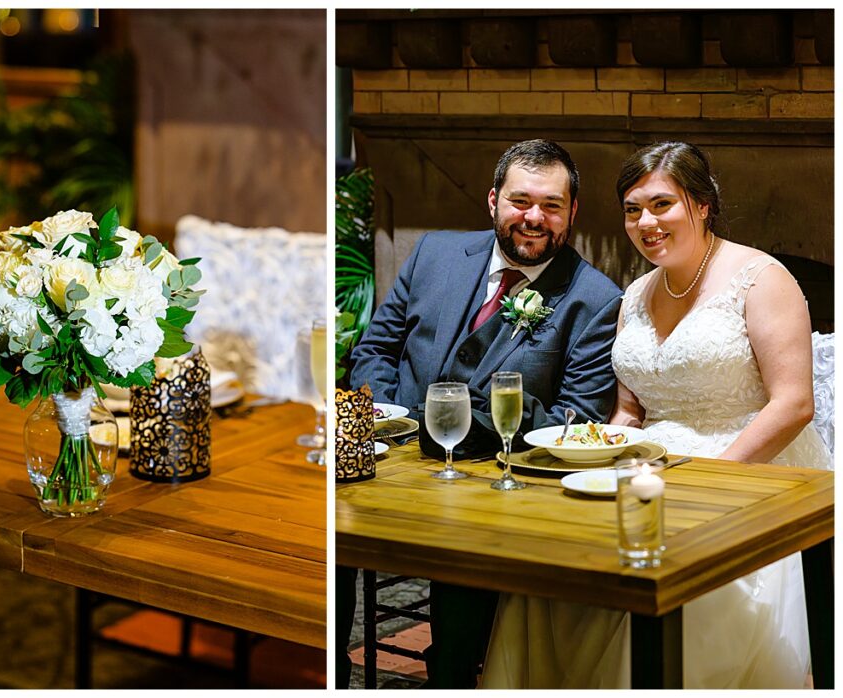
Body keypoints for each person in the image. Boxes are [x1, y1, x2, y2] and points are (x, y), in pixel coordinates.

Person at [480, 141, 831, 688]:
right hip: (653, 467)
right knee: (553, 564)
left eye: (662, 205)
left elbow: (793, 405)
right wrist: (591, 459)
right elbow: (628, 411)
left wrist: (713, 478)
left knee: (663, 582)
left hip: (752, 471)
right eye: (632, 209)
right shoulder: (638, 292)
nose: (646, 222)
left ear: (702, 204)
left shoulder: (761, 278)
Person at [342, 139, 622, 688]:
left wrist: (478, 421)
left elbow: (578, 417)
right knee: (326, 522)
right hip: (390, 461)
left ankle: (451, 678)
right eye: (520, 201)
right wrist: (397, 418)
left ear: (573, 213)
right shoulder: (434, 255)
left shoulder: (596, 299)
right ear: (493, 200)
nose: (534, 218)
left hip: (492, 485)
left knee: (471, 544)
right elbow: (375, 350)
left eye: (551, 205)